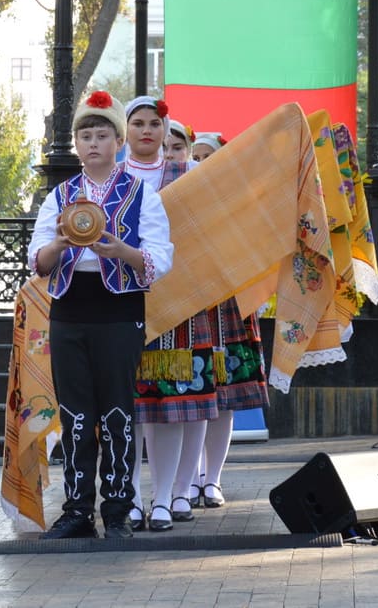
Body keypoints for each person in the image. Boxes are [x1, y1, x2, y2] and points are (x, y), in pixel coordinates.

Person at [28, 91, 173, 540]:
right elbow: (37, 260)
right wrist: (59, 244)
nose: (93, 143)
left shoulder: (140, 193)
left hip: (120, 308)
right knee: (74, 414)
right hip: (70, 308)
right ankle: (76, 511)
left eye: (102, 134)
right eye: (85, 135)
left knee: (116, 413)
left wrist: (121, 251)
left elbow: (160, 258)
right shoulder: (61, 196)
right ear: (76, 144)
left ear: (118, 141)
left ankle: (117, 510)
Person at [122, 96, 218, 533]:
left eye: (154, 123)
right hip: (120, 305)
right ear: (125, 129)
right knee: (130, 407)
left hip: (179, 307)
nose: (146, 130)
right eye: (137, 123)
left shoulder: (191, 175)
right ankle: (130, 497)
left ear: (165, 130)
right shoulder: (111, 176)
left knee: (173, 405)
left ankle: (167, 496)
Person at [183, 133, 269, 510]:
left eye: (209, 157)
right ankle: (190, 478)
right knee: (192, 396)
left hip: (231, 310)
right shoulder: (179, 201)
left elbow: (257, 252)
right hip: (191, 311)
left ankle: (213, 479)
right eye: (196, 156)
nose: (202, 163)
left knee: (227, 398)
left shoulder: (240, 203)